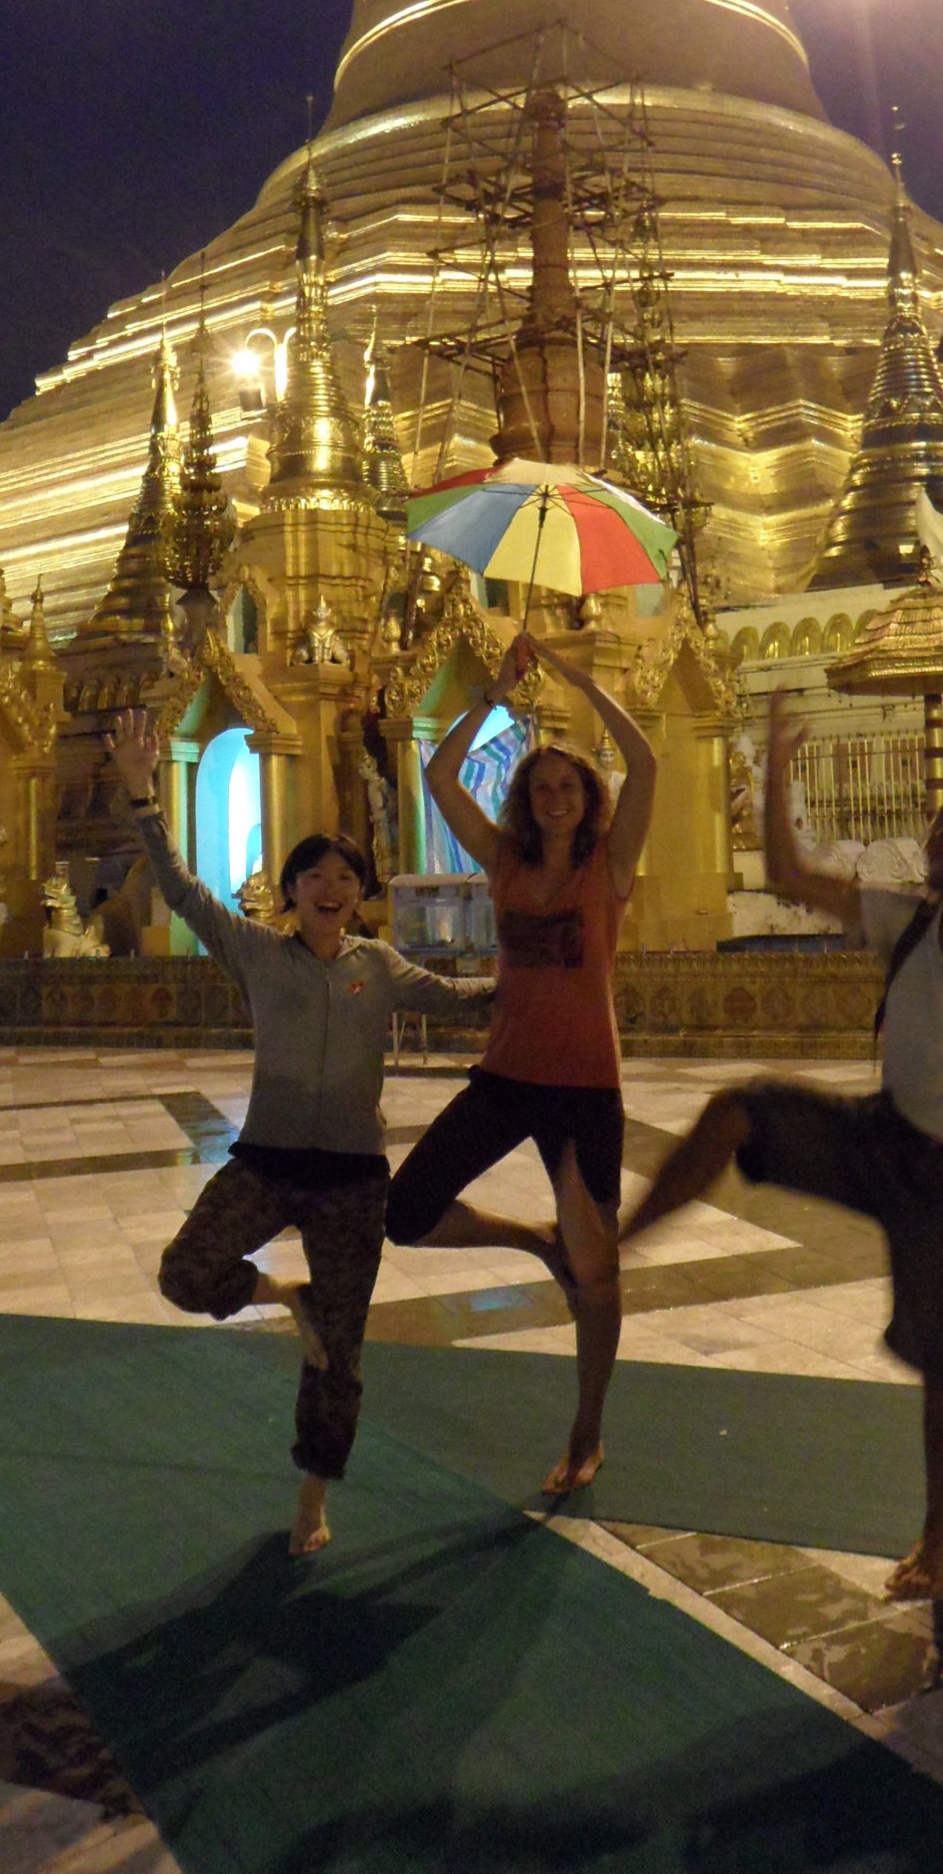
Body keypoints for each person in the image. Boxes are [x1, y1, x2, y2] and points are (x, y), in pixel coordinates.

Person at [619, 688, 943, 1600]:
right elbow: (791, 874)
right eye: (934, 836)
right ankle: (617, 1246)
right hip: (880, 1139)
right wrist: (775, 771)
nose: (933, 846)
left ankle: (942, 1537)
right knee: (738, 1111)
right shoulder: (906, 922)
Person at [106, 708, 495, 1556]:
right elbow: (181, 889)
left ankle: (312, 1499)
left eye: (346, 878)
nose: (331, 888)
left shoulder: (378, 967)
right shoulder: (256, 951)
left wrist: (546, 971)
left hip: (352, 1178)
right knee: (185, 1272)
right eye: (315, 875)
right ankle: (289, 1298)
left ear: (360, 894)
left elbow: (463, 1004)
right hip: (269, 1162)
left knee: (340, 1355)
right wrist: (142, 796)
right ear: (291, 889)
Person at [384, 631, 656, 1495]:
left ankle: (587, 1431)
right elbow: (438, 778)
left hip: (585, 1087)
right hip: (507, 1076)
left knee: (598, 1274)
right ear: (526, 801)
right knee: (406, 1210)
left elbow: (646, 764)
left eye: (569, 787)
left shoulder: (609, 866)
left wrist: (578, 678)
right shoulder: (503, 861)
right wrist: (495, 693)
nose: (555, 799)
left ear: (588, 798)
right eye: (541, 789)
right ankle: (533, 1240)